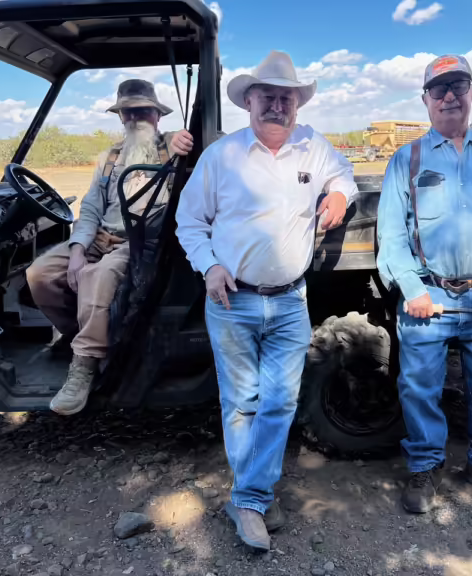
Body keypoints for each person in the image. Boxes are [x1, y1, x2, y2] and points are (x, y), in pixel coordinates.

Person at [175, 50, 358, 551]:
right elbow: (189, 221)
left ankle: (249, 496)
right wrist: (210, 265)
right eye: (268, 96)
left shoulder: (311, 146)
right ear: (249, 101)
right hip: (233, 301)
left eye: (287, 97)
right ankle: (254, 496)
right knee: (241, 403)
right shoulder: (222, 155)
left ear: (297, 104)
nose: (278, 105)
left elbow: (343, 175)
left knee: (279, 401)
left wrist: (339, 195)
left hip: (289, 302)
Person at [376, 54, 472, 514]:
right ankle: (426, 466)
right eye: (438, 89)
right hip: (429, 295)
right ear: (425, 100)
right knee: (419, 387)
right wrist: (413, 289)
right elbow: (391, 235)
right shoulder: (407, 160)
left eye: (458, 86)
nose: (449, 96)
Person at [26, 79, 194, 416]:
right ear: (120, 117)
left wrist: (183, 144)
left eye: (143, 111)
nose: (136, 118)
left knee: (98, 276)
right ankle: (85, 339)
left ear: (158, 115)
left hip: (137, 242)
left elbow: (196, 144)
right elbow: (90, 208)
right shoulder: (110, 157)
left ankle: (85, 365)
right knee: (40, 274)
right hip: (100, 237)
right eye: (129, 112)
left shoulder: (172, 149)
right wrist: (77, 249)